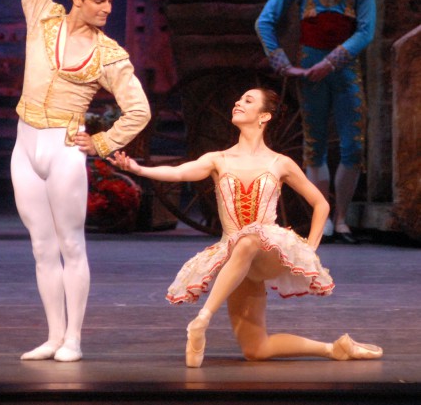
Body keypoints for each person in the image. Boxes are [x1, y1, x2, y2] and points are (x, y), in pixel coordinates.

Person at [109, 88, 383, 367]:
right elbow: (179, 172)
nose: (238, 102)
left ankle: (202, 319)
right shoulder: (218, 159)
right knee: (256, 349)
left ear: (264, 116)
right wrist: (139, 170)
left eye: (247, 101)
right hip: (236, 257)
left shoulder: (280, 162)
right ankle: (334, 349)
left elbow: (321, 204)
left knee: (250, 239)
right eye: (238, 99)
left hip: (268, 250)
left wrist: (309, 250)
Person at [11, 0, 151, 362]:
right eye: (98, 1)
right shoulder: (43, 19)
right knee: (41, 248)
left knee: (72, 245)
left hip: (65, 149)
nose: (106, 8)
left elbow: (139, 111)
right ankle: (53, 335)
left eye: (111, 1)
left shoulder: (110, 54)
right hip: (24, 146)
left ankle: (74, 338)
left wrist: (103, 143)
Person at [255, 0, 376, 244]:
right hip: (310, 69)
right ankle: (322, 218)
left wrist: (334, 60)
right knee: (314, 144)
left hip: (345, 68)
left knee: (353, 145)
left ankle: (342, 219)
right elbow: (264, 21)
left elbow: (366, 31)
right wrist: (282, 62)